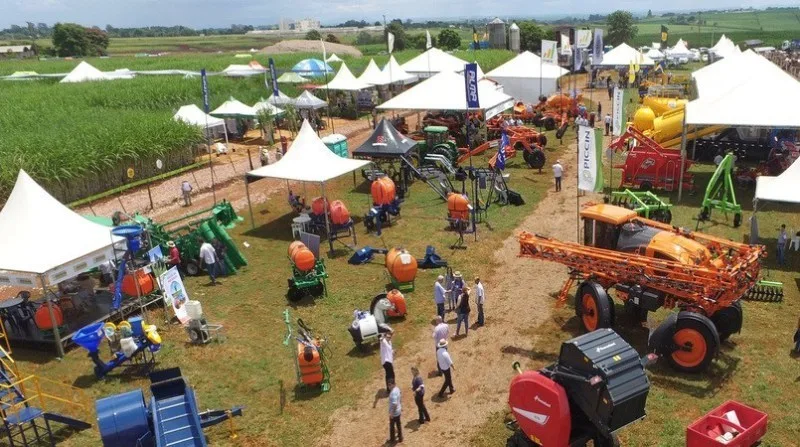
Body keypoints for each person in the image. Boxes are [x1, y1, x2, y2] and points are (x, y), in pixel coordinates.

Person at [387, 379, 403, 444]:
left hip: (395, 413)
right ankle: (400, 438)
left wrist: (391, 413)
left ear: (393, 384)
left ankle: (392, 439)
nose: (389, 386)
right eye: (388, 385)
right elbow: (400, 394)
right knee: (398, 425)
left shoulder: (393, 393)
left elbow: (394, 404)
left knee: (392, 426)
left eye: (390, 385)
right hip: (398, 411)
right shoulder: (397, 388)